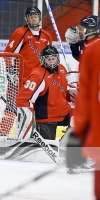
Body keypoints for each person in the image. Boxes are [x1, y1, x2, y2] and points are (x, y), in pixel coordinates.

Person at [0, 6, 52, 136]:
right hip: (19, 79)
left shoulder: (47, 36)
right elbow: (8, 54)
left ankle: (32, 135)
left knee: (37, 109)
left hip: (37, 81)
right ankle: (3, 134)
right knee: (11, 108)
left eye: (36, 16)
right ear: (27, 18)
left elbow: (50, 58)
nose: (34, 19)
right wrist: (11, 71)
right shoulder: (20, 33)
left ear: (40, 18)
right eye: (31, 17)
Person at [66, 16, 100, 200]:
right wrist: (71, 43)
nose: (80, 30)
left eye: (83, 28)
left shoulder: (94, 48)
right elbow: (77, 51)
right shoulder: (87, 46)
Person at [15, 45, 71, 141]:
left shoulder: (62, 69)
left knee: (86, 119)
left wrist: (73, 93)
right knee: (47, 151)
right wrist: (27, 116)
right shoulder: (38, 75)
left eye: (53, 59)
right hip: (46, 119)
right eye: (48, 59)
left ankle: (65, 144)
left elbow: (66, 93)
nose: (51, 62)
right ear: (42, 60)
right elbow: (22, 99)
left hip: (64, 112)